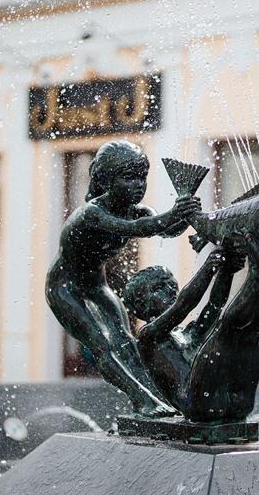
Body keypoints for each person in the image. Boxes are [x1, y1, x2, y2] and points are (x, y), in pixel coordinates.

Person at [46, 140, 200, 417]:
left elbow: (166, 229)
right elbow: (138, 228)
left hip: (96, 285)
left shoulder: (139, 210)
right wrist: (173, 215)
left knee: (126, 342)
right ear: (105, 180)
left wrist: (187, 214)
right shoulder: (93, 213)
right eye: (129, 178)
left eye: (142, 177)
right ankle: (142, 400)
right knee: (101, 344)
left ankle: (159, 397)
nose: (139, 185)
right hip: (64, 289)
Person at [125, 249, 244, 414]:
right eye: (159, 287)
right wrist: (208, 268)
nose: (171, 289)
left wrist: (226, 272)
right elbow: (183, 306)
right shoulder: (147, 337)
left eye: (172, 284)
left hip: (217, 399)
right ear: (141, 304)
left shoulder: (187, 334)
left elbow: (215, 306)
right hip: (195, 405)